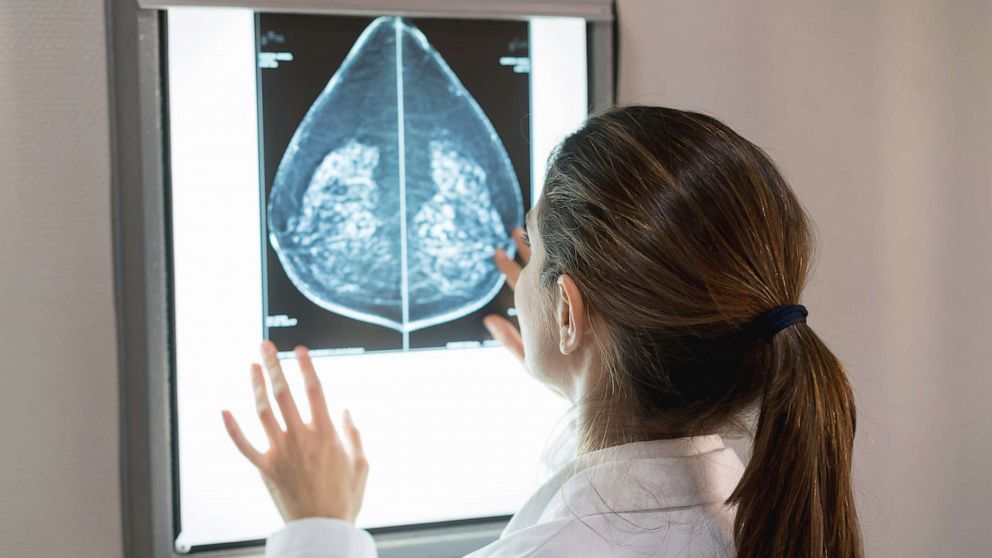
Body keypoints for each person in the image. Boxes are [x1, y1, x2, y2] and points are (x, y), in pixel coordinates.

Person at [221, 105, 864, 557]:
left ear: (568, 311)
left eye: (529, 250)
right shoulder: (768, 511)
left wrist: (317, 527)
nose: (516, 270)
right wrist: (584, 370)